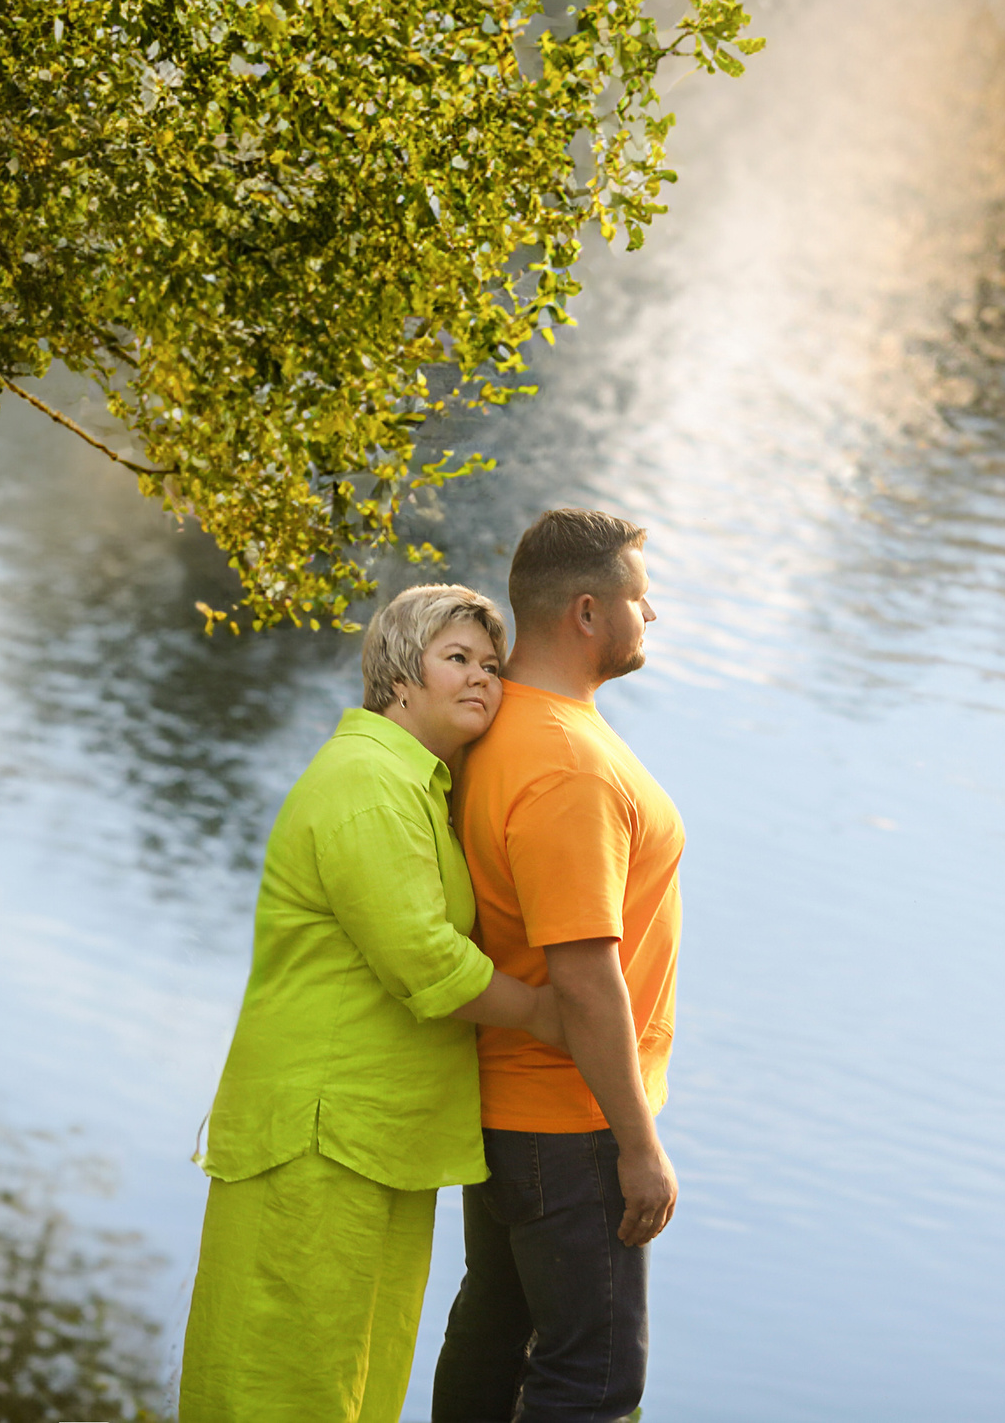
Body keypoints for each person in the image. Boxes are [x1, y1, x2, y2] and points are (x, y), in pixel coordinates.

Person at [180, 585, 566, 1423]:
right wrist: (547, 1014)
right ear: (399, 672)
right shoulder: (366, 781)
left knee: (353, 1384)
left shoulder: (418, 784)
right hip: (322, 1136)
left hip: (379, 1136)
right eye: (456, 658)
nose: (482, 680)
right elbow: (424, 961)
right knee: (286, 1381)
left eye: (491, 666)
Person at [433, 509, 686, 1423]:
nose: (650, 614)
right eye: (638, 597)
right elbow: (583, 973)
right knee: (593, 1380)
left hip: (507, 1113)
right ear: (587, 612)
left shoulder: (500, 728)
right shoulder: (567, 766)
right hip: (571, 1122)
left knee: (495, 1343)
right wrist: (637, 1144)